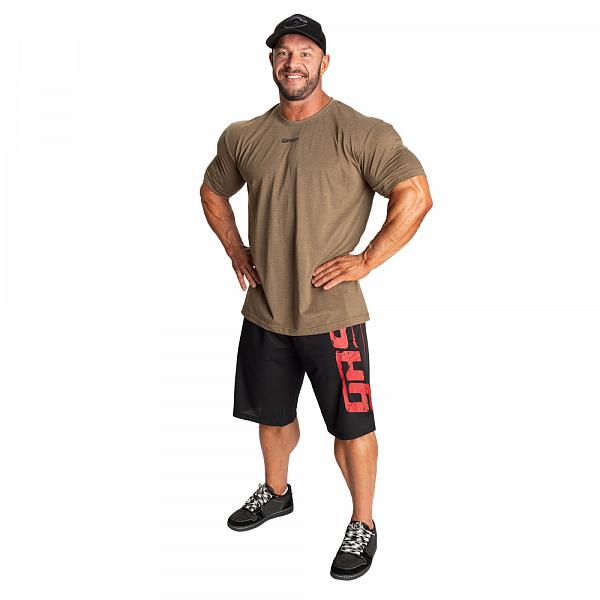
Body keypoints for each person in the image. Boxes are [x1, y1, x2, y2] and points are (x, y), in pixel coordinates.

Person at [200, 13, 433, 580]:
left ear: (324, 62)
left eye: (305, 53)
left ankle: (363, 522)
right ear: (271, 62)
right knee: (272, 417)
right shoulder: (244, 135)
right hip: (266, 312)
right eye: (283, 52)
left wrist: (367, 260)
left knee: (351, 429)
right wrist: (236, 250)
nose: (293, 62)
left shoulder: (360, 131)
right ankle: (276, 493)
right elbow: (212, 189)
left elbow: (415, 194)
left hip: (334, 318)